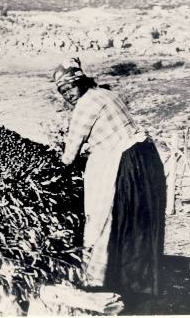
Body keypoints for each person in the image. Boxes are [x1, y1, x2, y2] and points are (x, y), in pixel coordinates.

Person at [53, 57, 167, 305]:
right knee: (140, 223)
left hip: (126, 162)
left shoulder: (86, 104)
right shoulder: (106, 94)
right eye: (63, 92)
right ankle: (142, 284)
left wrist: (55, 167)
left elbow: (70, 154)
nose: (69, 95)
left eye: (71, 87)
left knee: (114, 218)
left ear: (81, 82)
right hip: (146, 158)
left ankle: (110, 283)